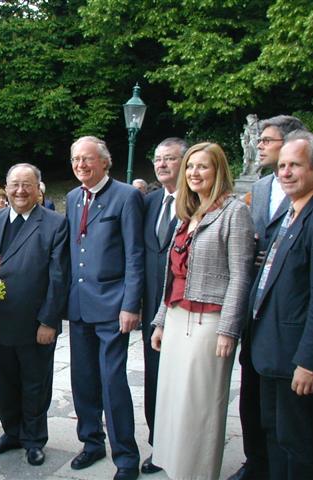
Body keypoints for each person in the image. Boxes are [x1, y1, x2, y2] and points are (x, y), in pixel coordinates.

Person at [230, 115, 313, 480]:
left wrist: (310, 362)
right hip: (269, 352)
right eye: (283, 165)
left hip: (295, 359)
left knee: (300, 444)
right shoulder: (290, 213)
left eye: (296, 166)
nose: (286, 173)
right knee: (275, 435)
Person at [150, 142, 255, 480]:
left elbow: (241, 275)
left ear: (218, 171)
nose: (194, 173)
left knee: (199, 403)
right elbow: (173, 276)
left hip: (209, 320)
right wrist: (161, 321)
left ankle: (197, 473)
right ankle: (175, 468)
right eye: (191, 167)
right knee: (172, 400)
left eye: (203, 167)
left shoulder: (233, 211)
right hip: (178, 317)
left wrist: (228, 330)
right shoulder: (189, 213)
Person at [0, 164, 69, 466]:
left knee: (35, 383)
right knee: (4, 382)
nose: (20, 190)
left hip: (34, 323)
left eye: (27, 184)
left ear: (38, 187)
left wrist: (49, 321)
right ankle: (11, 432)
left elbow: (59, 277)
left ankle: (33, 438)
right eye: (14, 184)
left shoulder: (55, 224)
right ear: (5, 186)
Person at [66, 136, 144, 480]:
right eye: (76, 159)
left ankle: (125, 456)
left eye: (88, 159)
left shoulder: (126, 196)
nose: (81, 165)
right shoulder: (71, 197)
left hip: (113, 307)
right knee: (82, 380)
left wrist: (131, 304)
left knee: (112, 382)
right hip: (80, 306)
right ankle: (91, 442)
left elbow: (135, 255)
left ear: (105, 161)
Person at [140, 137, 187, 474]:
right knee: (154, 375)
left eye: (170, 158)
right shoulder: (151, 201)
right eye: (158, 159)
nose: (162, 164)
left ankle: (183, 445)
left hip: (184, 309)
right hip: (150, 308)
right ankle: (158, 445)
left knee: (181, 380)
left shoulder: (199, 204)